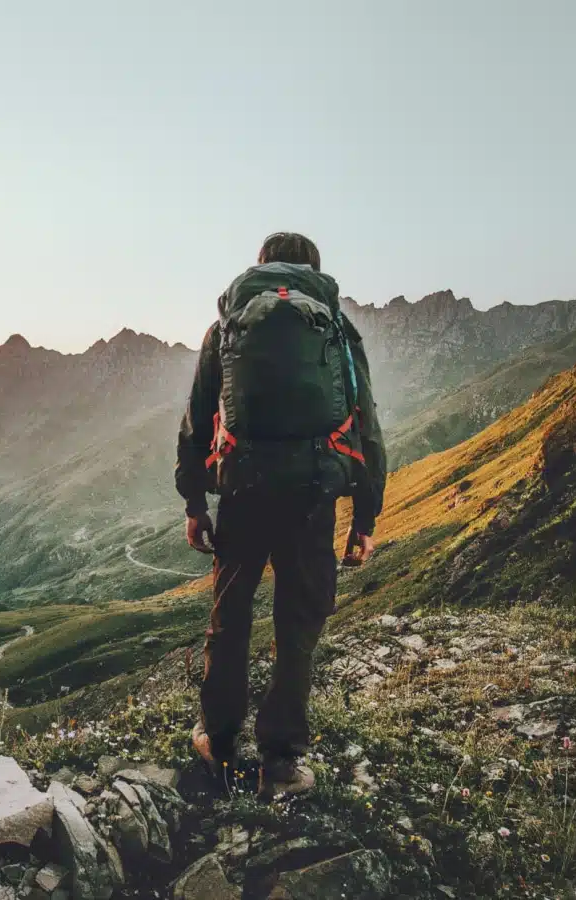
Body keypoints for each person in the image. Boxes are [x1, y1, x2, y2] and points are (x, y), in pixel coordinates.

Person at [174, 231, 386, 799]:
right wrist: (365, 518)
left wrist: (194, 503)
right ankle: (282, 762)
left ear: (261, 267)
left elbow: (197, 420)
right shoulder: (337, 329)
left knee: (230, 617)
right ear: (314, 271)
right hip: (312, 498)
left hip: (242, 492)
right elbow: (367, 425)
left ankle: (219, 741)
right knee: (298, 625)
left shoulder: (226, 328)